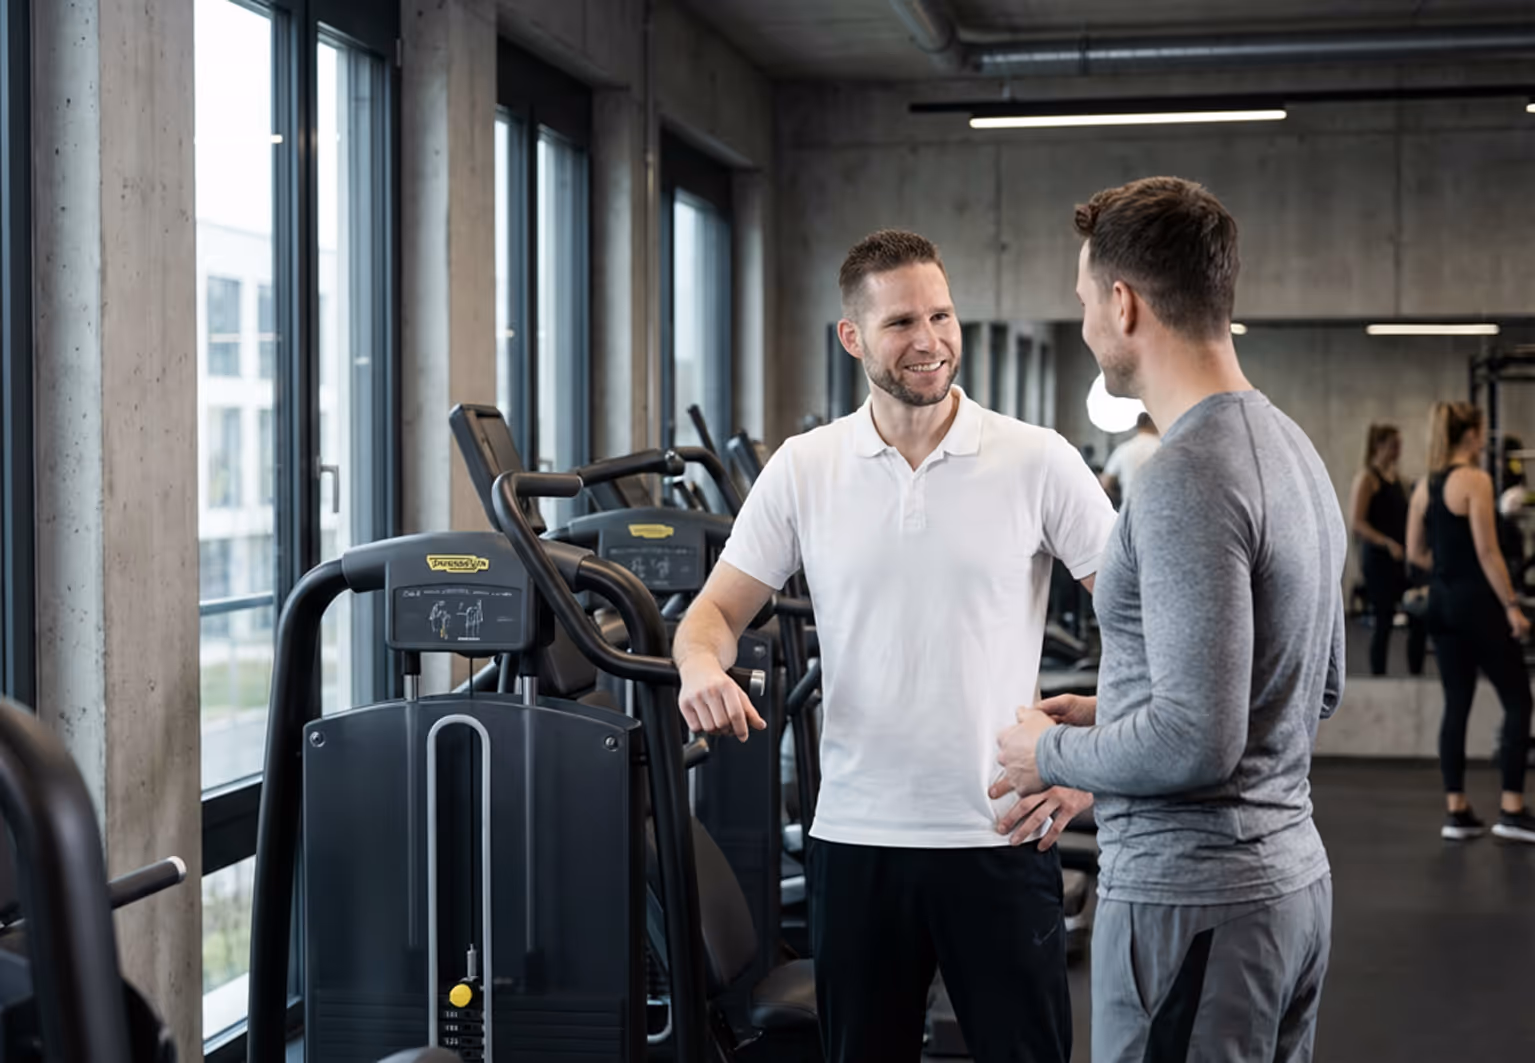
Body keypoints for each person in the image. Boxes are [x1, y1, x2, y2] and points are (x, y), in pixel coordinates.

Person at [671, 228, 1117, 1063]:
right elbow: (711, 615)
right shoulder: (806, 467)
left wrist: (1092, 764)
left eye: (941, 315)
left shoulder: (1036, 460)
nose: (929, 340)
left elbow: (1144, 621)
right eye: (901, 322)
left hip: (1000, 832)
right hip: (856, 836)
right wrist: (699, 663)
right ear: (851, 336)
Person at [991, 177, 1343, 1063]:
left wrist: (1052, 754)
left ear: (1123, 302)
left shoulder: (1184, 475)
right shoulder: (1292, 449)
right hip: (1286, 890)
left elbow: (1198, 739)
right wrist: (1116, 715)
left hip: (1194, 905)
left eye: (1082, 301)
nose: (1081, 325)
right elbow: (1314, 685)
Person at [1405, 402, 1535, 843]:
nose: (1485, 438)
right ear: (1470, 435)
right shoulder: (1475, 480)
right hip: (1478, 605)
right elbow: (1488, 552)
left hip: (1441, 606)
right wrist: (1513, 606)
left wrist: (1446, 572)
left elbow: (1414, 554)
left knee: (1456, 703)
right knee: (1518, 700)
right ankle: (1512, 809)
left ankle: (1456, 810)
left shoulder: (1425, 485)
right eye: (1482, 431)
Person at [1348, 423, 1426, 675]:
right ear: (1378, 446)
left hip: (1402, 558)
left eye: (1399, 445)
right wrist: (1386, 543)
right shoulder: (1367, 478)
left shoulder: (1400, 480)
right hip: (1379, 560)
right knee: (1384, 620)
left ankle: (1416, 672)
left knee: (1418, 614)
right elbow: (1357, 522)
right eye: (1394, 445)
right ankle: (1378, 676)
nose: (1398, 450)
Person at [1099, 411, 1160, 506]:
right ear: (1155, 423)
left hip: (1130, 509)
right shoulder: (1164, 447)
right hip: (1158, 509)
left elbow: (1105, 483)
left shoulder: (1124, 449)